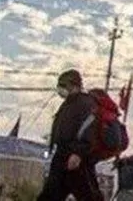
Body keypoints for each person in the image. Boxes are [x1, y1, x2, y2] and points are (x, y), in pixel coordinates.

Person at [38, 69, 101, 201]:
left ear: (74, 85)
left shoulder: (86, 104)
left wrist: (78, 153)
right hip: (62, 156)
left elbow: (89, 130)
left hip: (78, 159)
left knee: (89, 196)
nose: (60, 89)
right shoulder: (68, 104)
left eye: (63, 85)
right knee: (50, 194)